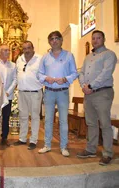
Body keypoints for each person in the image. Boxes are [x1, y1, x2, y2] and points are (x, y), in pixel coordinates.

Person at [77, 30, 117, 165]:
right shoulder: (88, 57)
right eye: (93, 38)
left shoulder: (109, 55)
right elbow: (81, 72)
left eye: (98, 38)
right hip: (89, 94)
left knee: (105, 124)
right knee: (91, 123)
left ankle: (107, 153)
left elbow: (106, 73)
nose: (95, 40)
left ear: (103, 39)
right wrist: (83, 85)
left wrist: (91, 86)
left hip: (102, 93)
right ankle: (91, 149)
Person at [38, 31, 78, 157]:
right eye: (51, 39)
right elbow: (39, 74)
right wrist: (46, 78)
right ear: (49, 42)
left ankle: (63, 146)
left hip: (63, 92)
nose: (54, 41)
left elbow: (74, 73)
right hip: (49, 92)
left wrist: (65, 79)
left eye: (56, 38)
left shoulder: (69, 56)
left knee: (63, 120)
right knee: (48, 119)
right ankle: (47, 145)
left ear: (61, 40)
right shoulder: (45, 57)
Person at [13, 41, 43, 150]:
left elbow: (44, 74)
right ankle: (22, 138)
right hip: (22, 92)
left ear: (33, 48)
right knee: (23, 116)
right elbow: (17, 75)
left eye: (29, 48)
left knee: (35, 117)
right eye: (24, 48)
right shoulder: (19, 59)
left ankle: (33, 140)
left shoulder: (40, 59)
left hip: (35, 92)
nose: (27, 50)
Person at [0, 44, 17, 146]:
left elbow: (15, 79)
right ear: (0, 52)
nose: (8, 52)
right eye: (5, 50)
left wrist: (8, 92)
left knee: (6, 117)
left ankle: (4, 137)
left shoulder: (13, 65)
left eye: (8, 50)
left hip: (8, 95)